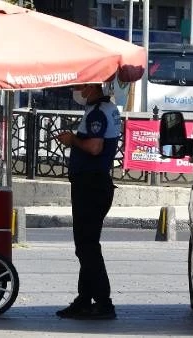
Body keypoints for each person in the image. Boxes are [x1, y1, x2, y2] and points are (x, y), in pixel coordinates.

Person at [55, 83, 120, 320]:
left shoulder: (98, 112)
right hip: (94, 184)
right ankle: (85, 299)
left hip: (91, 185)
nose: (77, 89)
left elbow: (94, 147)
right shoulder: (105, 108)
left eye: (80, 85)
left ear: (91, 86)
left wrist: (72, 140)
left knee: (87, 246)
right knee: (86, 245)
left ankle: (104, 302)